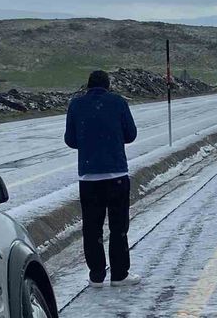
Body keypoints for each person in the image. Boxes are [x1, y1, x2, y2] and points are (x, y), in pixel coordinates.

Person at [64, 70, 140, 287]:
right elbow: (131, 134)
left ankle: (96, 276)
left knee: (91, 227)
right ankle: (119, 275)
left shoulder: (76, 105)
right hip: (116, 173)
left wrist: (88, 141)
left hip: (88, 177)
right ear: (108, 86)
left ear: (87, 86)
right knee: (118, 227)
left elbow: (70, 139)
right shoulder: (118, 102)